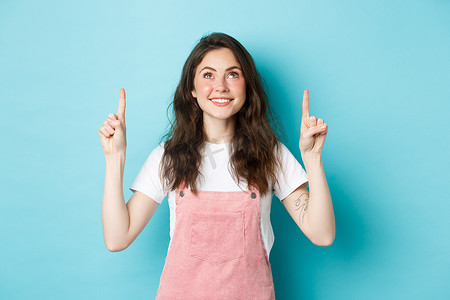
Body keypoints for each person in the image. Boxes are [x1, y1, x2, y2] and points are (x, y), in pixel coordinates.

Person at [98, 32, 335, 299]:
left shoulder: (271, 154)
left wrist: (313, 159)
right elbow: (117, 239)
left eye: (233, 74)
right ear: (192, 89)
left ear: (247, 86)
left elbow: (322, 234)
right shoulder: (168, 157)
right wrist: (114, 159)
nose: (221, 86)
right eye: (208, 75)